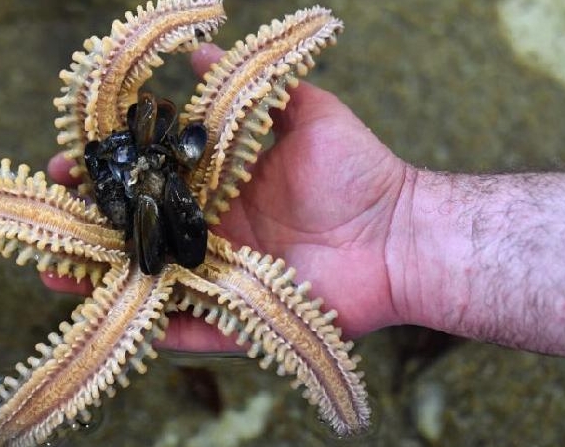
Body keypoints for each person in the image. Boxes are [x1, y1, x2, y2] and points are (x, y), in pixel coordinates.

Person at [42, 43, 565, 356]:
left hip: (199, 263)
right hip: (155, 266)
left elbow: (257, 71)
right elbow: (99, 78)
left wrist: (399, 221)